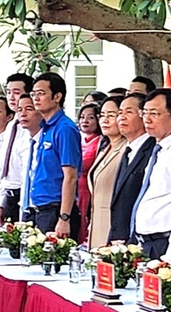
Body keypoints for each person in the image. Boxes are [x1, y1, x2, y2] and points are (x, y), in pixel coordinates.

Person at [130, 89, 171, 258]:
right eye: (145, 113)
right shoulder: (159, 147)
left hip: (165, 242)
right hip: (144, 241)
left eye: (155, 114)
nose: (147, 120)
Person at [26, 73, 85, 236]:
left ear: (57, 96)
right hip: (40, 209)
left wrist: (64, 217)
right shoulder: (45, 128)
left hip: (56, 209)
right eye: (34, 94)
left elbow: (71, 176)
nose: (36, 98)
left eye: (41, 93)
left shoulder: (65, 128)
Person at [108, 90, 155, 244]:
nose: (122, 117)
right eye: (120, 112)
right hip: (120, 238)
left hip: (138, 238)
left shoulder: (153, 149)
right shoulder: (128, 150)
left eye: (129, 112)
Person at [85, 98, 126, 246]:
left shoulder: (126, 149)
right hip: (97, 223)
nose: (105, 120)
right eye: (102, 115)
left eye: (111, 115)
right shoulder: (105, 148)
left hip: (113, 225)